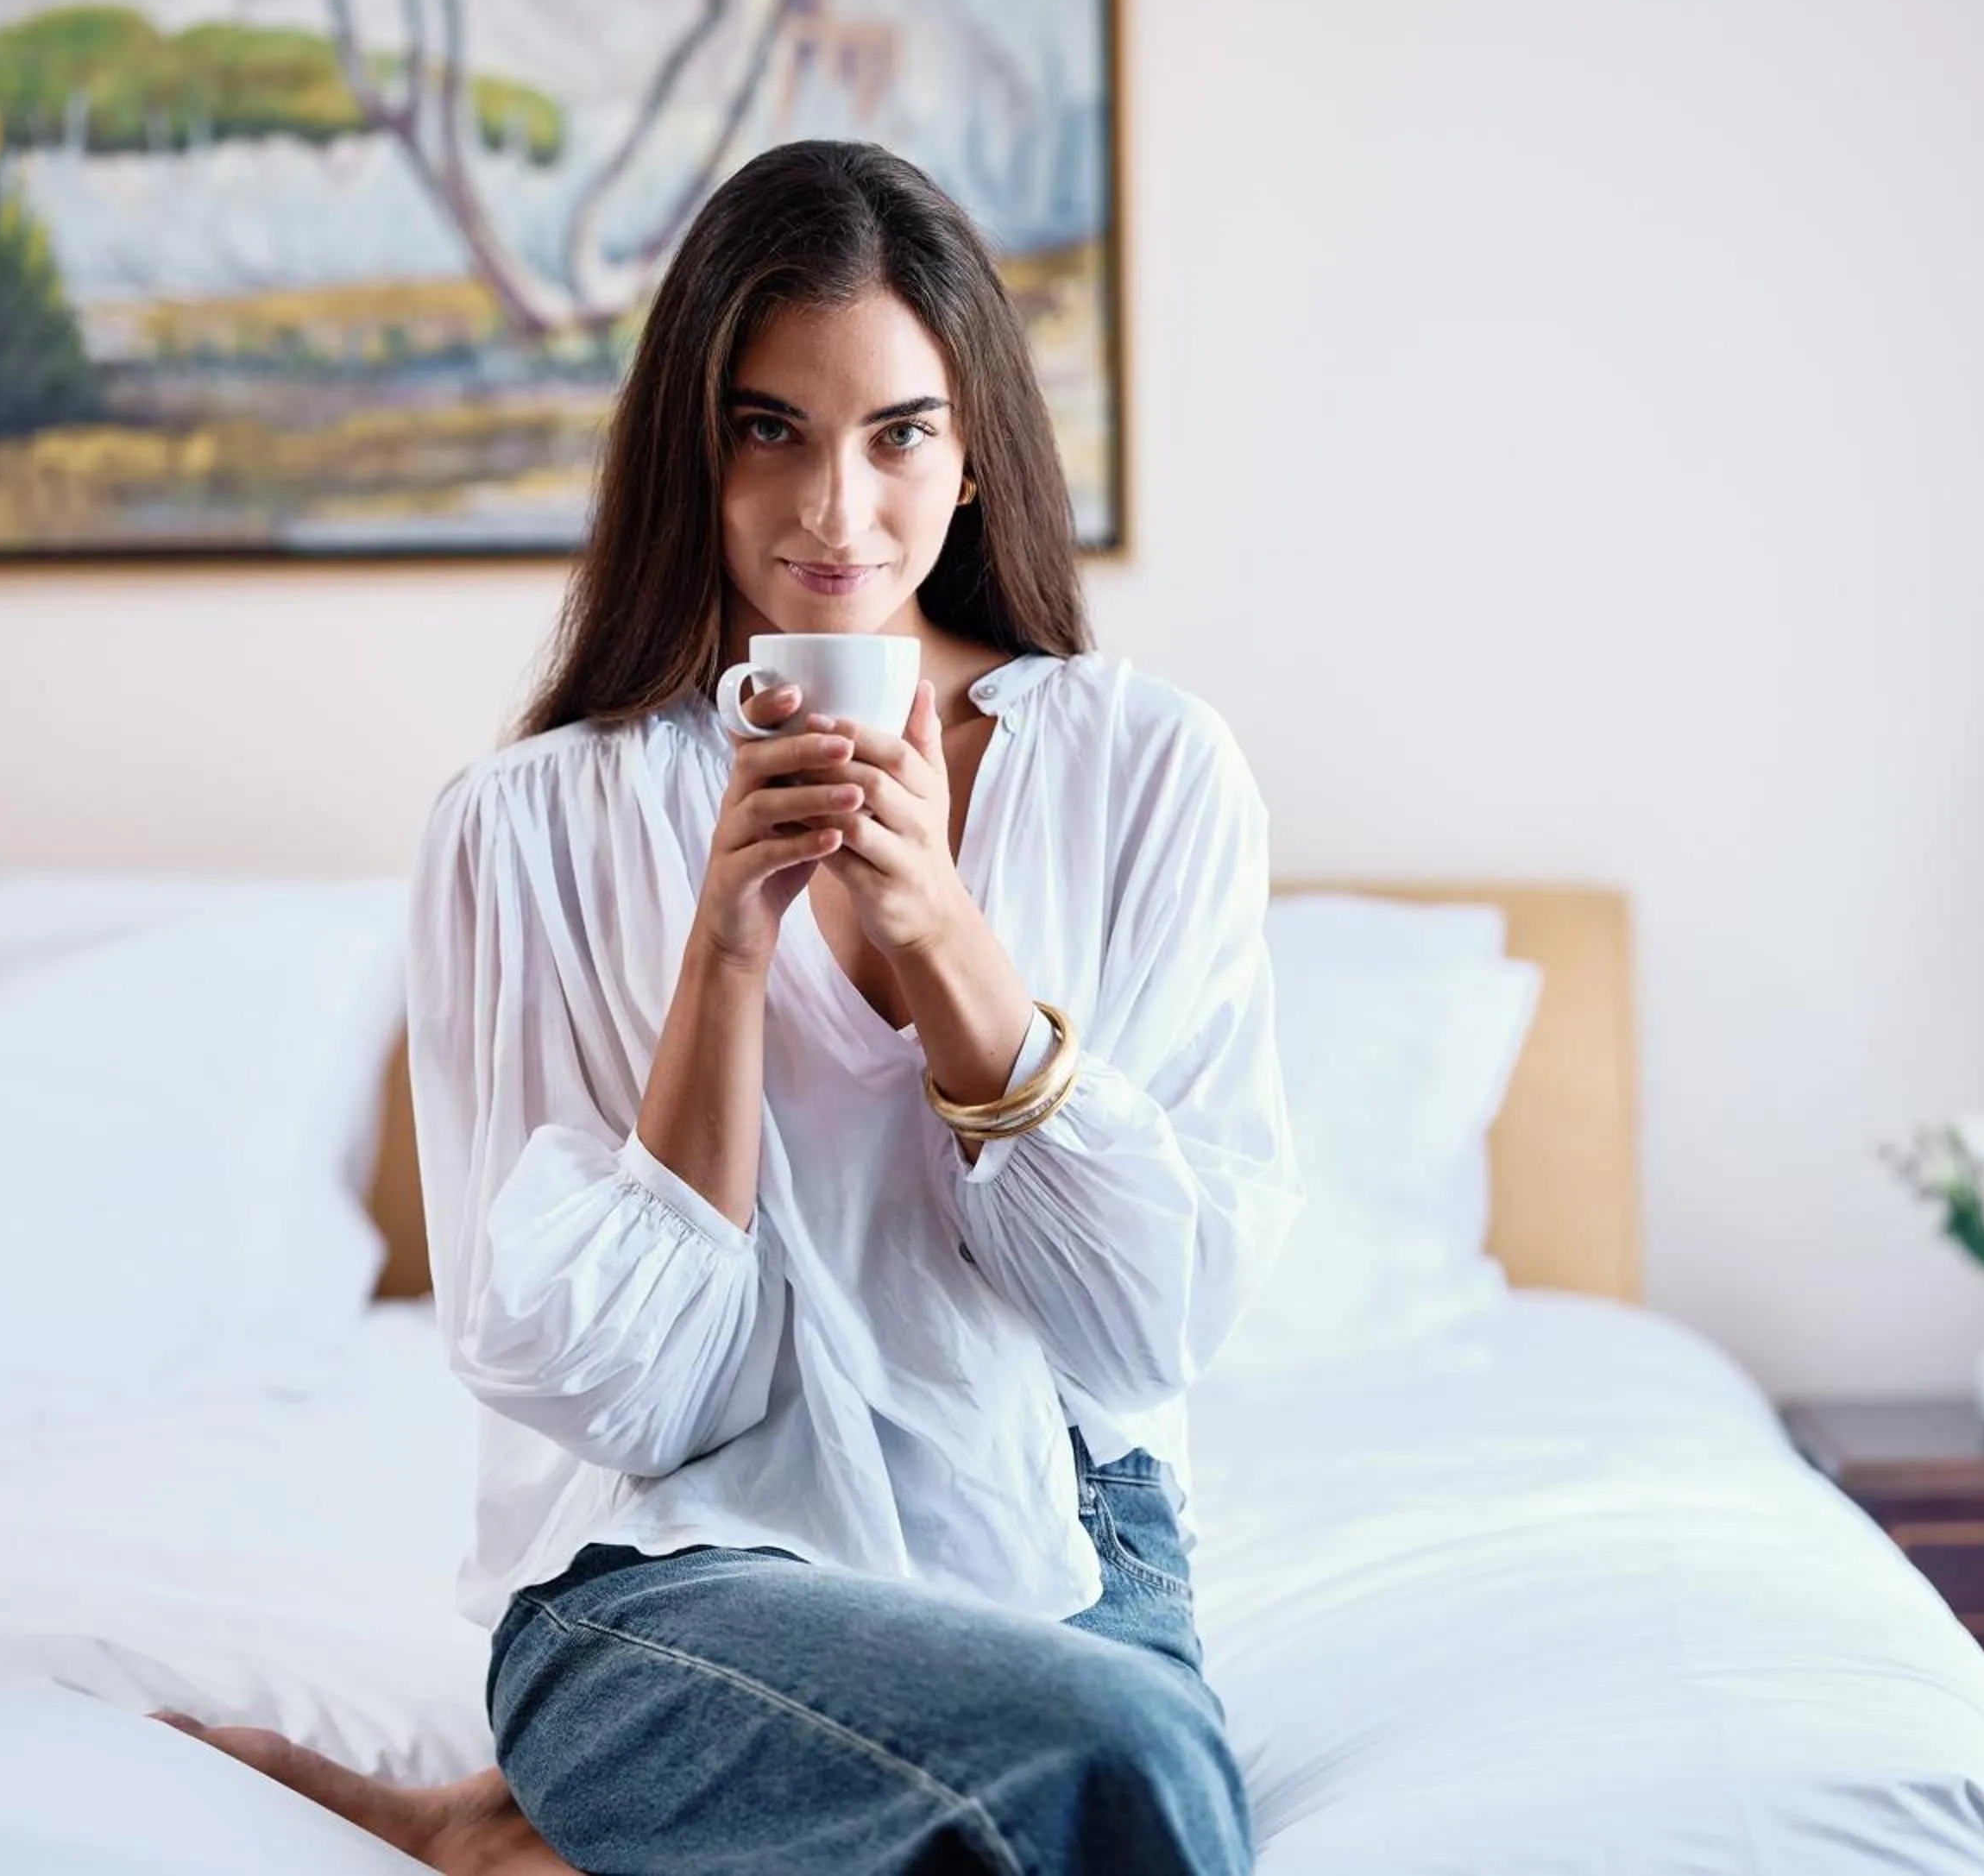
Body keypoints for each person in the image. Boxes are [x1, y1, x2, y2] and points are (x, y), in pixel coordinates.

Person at [158, 138, 1302, 1876]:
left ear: (976, 446)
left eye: (897, 432)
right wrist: (728, 952)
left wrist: (944, 943)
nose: (837, 513)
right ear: (691, 453)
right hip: (671, 1576)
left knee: (1123, 1766)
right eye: (771, 429)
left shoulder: (1149, 773)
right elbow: (610, 1399)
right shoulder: (524, 827)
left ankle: (524, 1847)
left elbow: (1152, 1324)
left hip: (1067, 1543)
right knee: (1120, 1776)